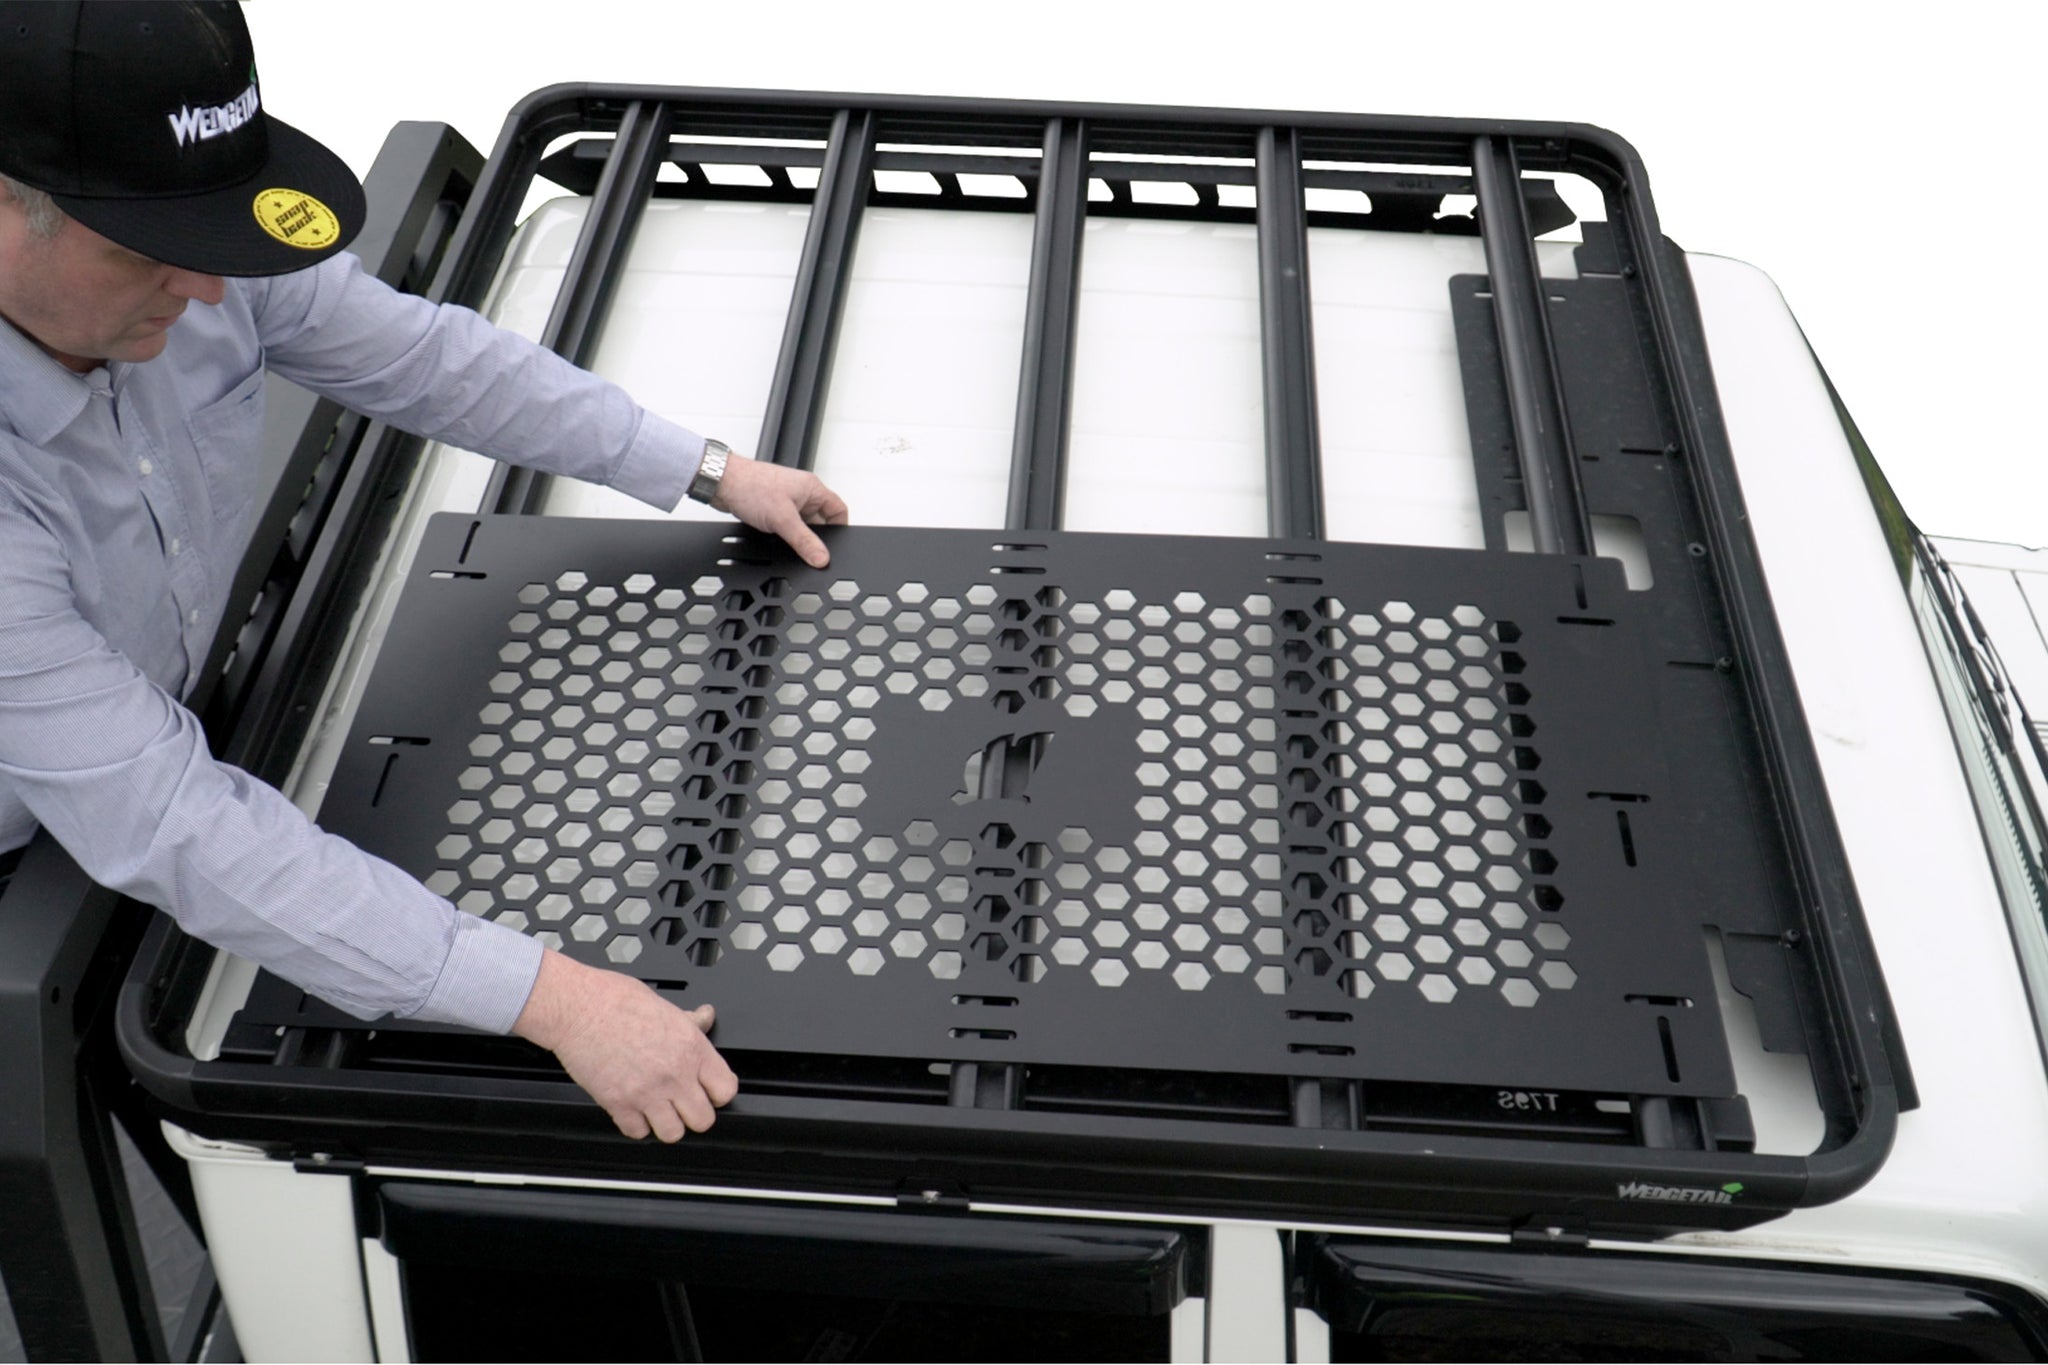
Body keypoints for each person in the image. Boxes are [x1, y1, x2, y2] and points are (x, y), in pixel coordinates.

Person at [0, 1, 848, 1143]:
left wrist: (703, 469)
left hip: (158, 724)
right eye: (147, 250)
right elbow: (165, 818)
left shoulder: (192, 262)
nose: (205, 290)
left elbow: (420, 356)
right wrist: (557, 1001)